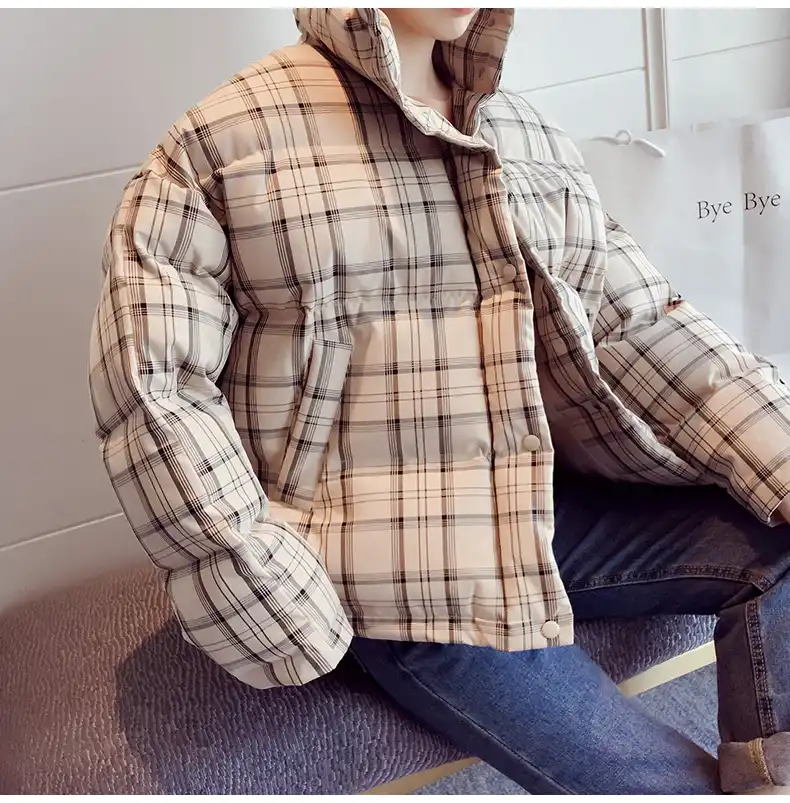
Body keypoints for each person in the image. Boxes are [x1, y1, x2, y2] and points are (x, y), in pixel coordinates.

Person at [88, 8, 790, 794]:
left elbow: (635, 321)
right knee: (653, 782)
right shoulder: (223, 143)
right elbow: (157, 392)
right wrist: (269, 592)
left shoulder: (525, 132)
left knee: (779, 536)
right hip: (389, 569)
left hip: (541, 511)